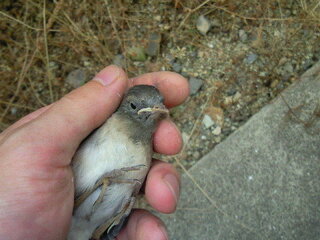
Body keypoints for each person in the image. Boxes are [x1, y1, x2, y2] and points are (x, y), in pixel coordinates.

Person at [0, 65, 189, 240]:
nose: (152, 110)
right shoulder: (110, 120)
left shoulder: (148, 140)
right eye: (134, 106)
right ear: (125, 106)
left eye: (159, 104)